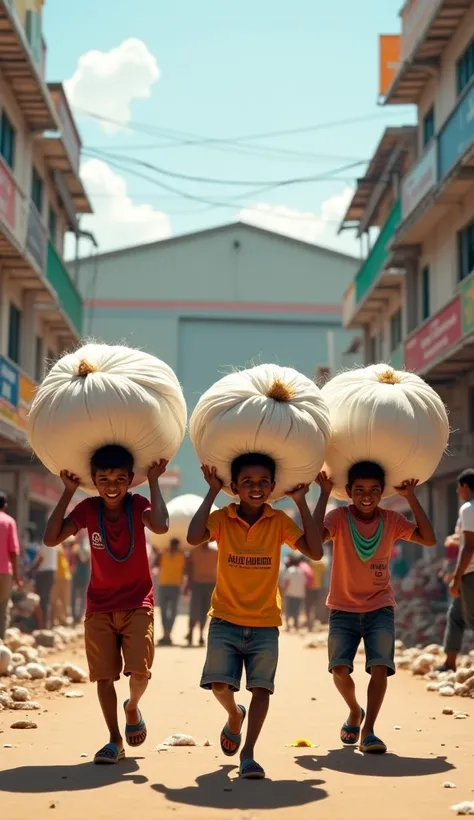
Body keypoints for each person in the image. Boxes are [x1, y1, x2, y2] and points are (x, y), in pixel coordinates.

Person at [187, 453, 324, 780]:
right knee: (220, 685)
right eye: (247, 482)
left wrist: (301, 502)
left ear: (273, 486)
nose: (256, 488)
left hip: (265, 622)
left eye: (263, 482)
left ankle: (248, 753)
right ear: (234, 487)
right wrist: (211, 492)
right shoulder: (222, 518)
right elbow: (195, 538)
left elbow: (315, 551)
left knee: (261, 689)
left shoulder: (278, 522)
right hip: (224, 618)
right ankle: (234, 715)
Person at [43, 444, 169, 765]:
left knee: (139, 671)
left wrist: (153, 481)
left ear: (129, 480)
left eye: (118, 479)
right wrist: (68, 491)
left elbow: (161, 525)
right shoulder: (88, 509)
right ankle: (114, 739)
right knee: (103, 677)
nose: (111, 486)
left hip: (137, 601)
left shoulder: (137, 504)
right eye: (104, 479)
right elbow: (51, 538)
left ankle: (132, 707)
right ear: (95, 482)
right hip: (98, 605)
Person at [316, 462, 436, 755]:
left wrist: (410, 497)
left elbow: (428, 539)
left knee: (379, 667)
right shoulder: (339, 518)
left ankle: (368, 730)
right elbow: (315, 540)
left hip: (380, 606)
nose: (366, 496)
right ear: (349, 492)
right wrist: (323, 493)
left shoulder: (392, 520)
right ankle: (355, 711)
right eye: (359, 490)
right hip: (343, 608)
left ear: (382, 492)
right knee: (339, 670)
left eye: (373, 490)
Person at [437, 469, 474, 672]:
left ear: (466, 487)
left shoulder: (468, 509)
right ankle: (449, 662)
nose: (458, 492)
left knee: (470, 618)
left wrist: (457, 578)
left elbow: (469, 547)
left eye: (459, 488)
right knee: (456, 615)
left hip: (470, 573)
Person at [185, 540, 218, 647]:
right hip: (197, 583)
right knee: (194, 609)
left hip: (210, 584)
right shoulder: (194, 551)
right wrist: (188, 584)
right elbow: (189, 567)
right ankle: (190, 633)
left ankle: (200, 635)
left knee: (205, 609)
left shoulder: (216, 551)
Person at [155, 538, 186, 646]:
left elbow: (186, 570)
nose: (174, 548)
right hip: (163, 585)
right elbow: (156, 564)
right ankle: (165, 634)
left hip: (175, 586)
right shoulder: (163, 554)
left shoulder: (182, 556)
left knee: (173, 611)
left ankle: (168, 634)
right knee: (163, 610)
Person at [0, 492, 21, 639]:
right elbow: (13, 552)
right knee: (2, 608)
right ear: (5, 506)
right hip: (4, 573)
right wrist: (17, 576)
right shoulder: (8, 522)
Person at [32, 541, 57, 628]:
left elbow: (41, 558)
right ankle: (46, 625)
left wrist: (31, 569)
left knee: (42, 599)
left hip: (44, 572)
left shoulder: (46, 540)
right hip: (52, 572)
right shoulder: (55, 542)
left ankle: (42, 625)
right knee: (46, 599)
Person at [281, 555, 306, 631]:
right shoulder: (301, 571)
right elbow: (304, 583)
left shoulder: (289, 570)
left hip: (290, 594)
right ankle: (296, 626)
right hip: (299, 594)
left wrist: (283, 593)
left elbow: (286, 583)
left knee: (288, 610)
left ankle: (288, 626)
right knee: (296, 610)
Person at [51, 541, 72, 626]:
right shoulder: (56, 546)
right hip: (59, 576)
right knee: (57, 599)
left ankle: (61, 619)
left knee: (62, 599)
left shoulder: (59, 546)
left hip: (63, 576)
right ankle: (58, 620)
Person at [71, 536, 91, 625]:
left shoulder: (85, 548)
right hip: (76, 574)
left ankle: (79, 616)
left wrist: (78, 549)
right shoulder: (75, 547)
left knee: (82, 596)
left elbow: (84, 558)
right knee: (74, 595)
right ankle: (74, 616)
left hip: (83, 574)